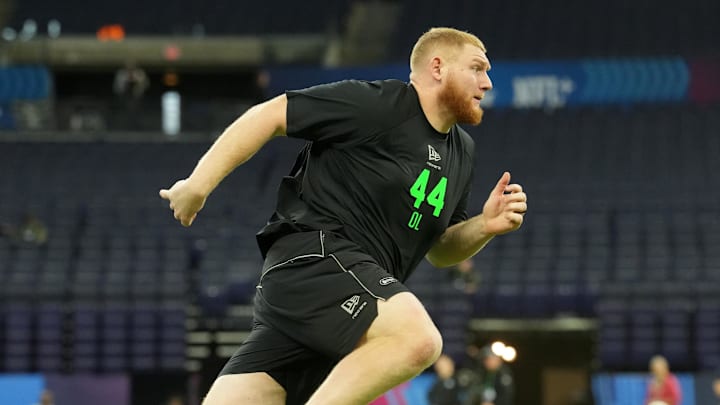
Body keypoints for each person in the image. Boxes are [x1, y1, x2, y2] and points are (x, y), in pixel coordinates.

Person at [159, 27, 528, 405]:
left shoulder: (461, 153)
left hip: (337, 307)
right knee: (418, 340)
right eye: (477, 68)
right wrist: (198, 185)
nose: (487, 82)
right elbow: (271, 114)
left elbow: (439, 249)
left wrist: (483, 226)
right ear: (438, 67)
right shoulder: (382, 105)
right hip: (315, 261)